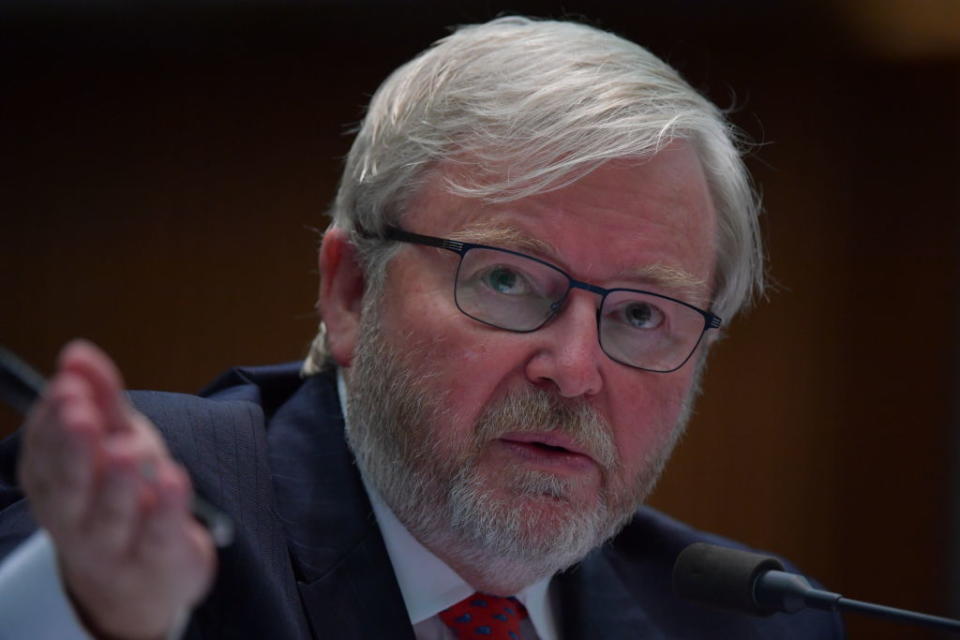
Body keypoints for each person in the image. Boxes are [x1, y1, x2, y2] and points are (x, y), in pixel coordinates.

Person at [0, 16, 843, 640]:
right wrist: (93, 612)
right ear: (352, 293)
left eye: (641, 314)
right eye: (508, 279)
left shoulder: (753, 622)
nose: (576, 368)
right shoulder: (157, 505)